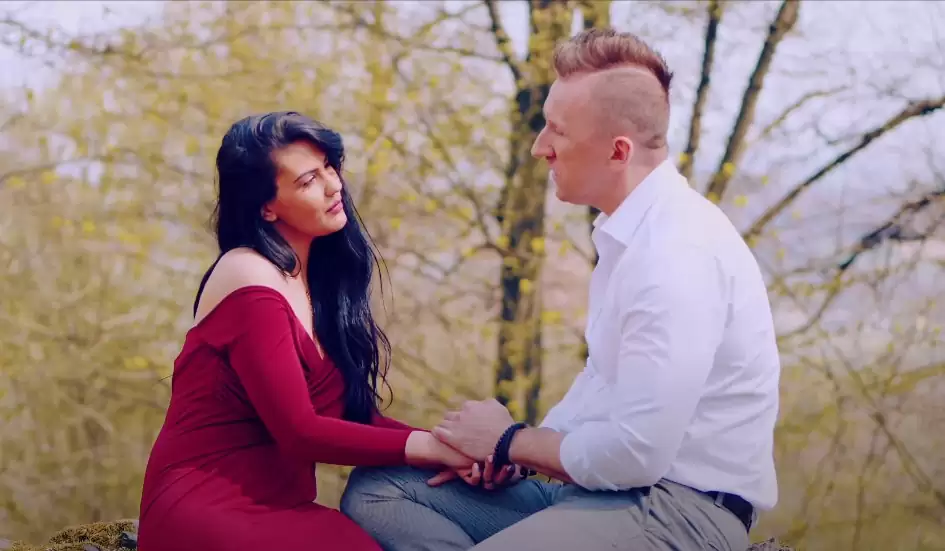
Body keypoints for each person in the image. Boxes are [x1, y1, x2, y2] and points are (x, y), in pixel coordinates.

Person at [340, 28, 781, 551]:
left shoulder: (676, 255)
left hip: (678, 513)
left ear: (618, 152)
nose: (539, 147)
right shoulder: (628, 236)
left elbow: (637, 454)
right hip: (601, 498)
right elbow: (601, 382)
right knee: (380, 489)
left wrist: (510, 440)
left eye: (558, 131)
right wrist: (510, 457)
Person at [137, 112, 476, 551]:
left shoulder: (315, 281)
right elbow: (300, 431)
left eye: (329, 167)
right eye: (308, 180)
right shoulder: (248, 275)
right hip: (204, 508)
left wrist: (455, 449)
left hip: (282, 505)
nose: (334, 186)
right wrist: (429, 449)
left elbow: (353, 417)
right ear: (266, 206)